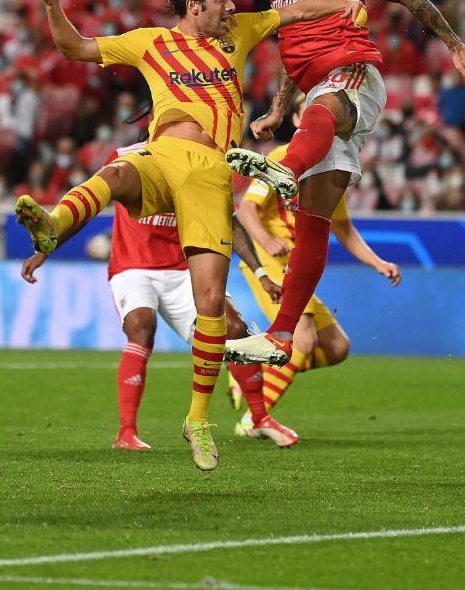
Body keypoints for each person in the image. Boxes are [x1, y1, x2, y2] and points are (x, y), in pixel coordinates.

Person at [13, 0, 365, 472]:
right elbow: (74, 46)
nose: (232, 7)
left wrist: (342, 3)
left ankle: (197, 420)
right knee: (117, 173)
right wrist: (51, 3)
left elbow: (293, 12)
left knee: (212, 305)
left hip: (210, 176)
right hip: (163, 155)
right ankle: (53, 223)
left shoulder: (238, 32)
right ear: (195, 5)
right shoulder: (149, 43)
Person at [225, 0, 465, 366]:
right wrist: (279, 108)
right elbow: (293, 51)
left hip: (353, 74)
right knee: (312, 223)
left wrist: (455, 45)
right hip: (319, 100)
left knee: (324, 106)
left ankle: (285, 168)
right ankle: (281, 336)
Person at [21, 141, 300, 450]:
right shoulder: (124, 158)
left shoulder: (200, 158)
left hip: (184, 268)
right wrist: (45, 250)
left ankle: (260, 419)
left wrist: (260, 273)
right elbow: (87, 210)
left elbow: (226, 219)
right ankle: (126, 433)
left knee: (234, 329)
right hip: (133, 268)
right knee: (141, 326)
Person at [232, 106, 401, 434]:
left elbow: (344, 229)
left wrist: (378, 263)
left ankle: (250, 374)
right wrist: (267, 240)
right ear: (297, 120)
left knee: (337, 348)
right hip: (272, 261)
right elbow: (247, 208)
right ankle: (255, 419)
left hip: (299, 265)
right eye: (307, 113)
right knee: (303, 339)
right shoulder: (282, 156)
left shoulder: (333, 169)